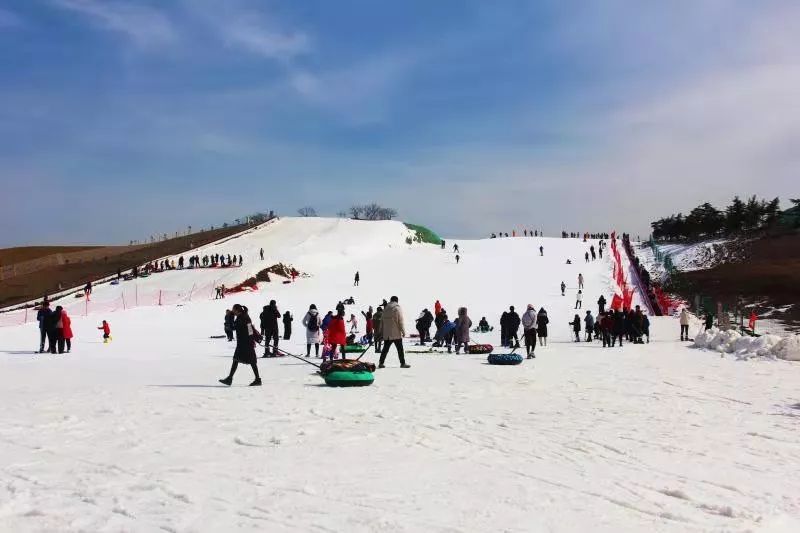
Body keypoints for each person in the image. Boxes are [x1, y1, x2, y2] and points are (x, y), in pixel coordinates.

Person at [219, 304, 261, 386]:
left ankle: (257, 379)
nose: (232, 311)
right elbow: (250, 330)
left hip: (244, 343)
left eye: (233, 310)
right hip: (246, 342)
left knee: (240, 360)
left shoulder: (241, 318)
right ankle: (230, 378)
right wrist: (253, 339)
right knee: (241, 360)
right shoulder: (245, 316)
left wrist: (230, 317)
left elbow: (231, 327)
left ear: (237, 310)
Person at [378, 296, 410, 368]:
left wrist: (380, 331)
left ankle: (381, 363)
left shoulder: (386, 308)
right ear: (397, 301)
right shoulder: (397, 308)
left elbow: (382, 321)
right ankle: (402, 363)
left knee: (385, 349)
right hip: (396, 334)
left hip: (387, 334)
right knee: (400, 349)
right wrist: (403, 331)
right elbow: (400, 321)